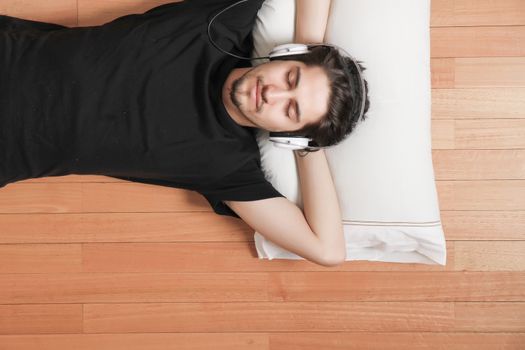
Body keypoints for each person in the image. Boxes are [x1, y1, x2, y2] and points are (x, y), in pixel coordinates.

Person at [0, 0, 369, 266]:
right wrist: (309, 46)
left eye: (291, 110)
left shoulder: (229, 169)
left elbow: (328, 251)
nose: (273, 93)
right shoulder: (224, 20)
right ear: (285, 54)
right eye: (291, 78)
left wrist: (309, 145)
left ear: (289, 138)